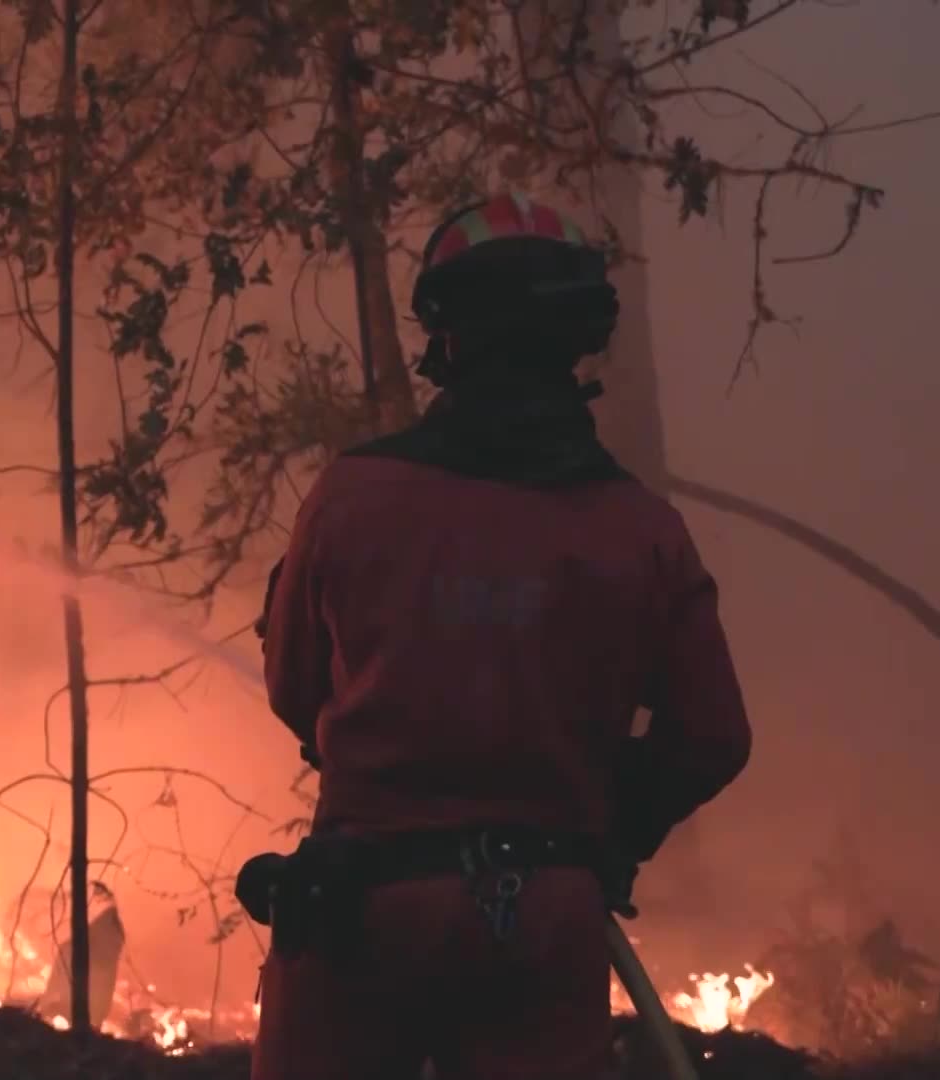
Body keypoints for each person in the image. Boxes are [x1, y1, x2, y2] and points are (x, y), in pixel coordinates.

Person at [245, 192, 753, 1080]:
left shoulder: (351, 499)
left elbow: (295, 690)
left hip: (359, 911)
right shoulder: (642, 530)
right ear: (580, 340)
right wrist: (611, 826)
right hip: (544, 913)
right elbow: (712, 736)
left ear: (447, 337)